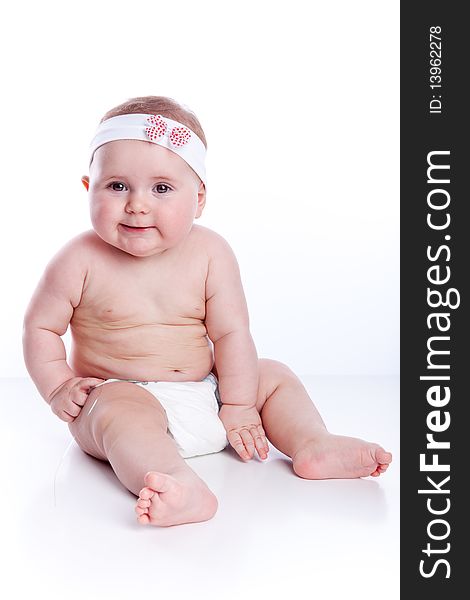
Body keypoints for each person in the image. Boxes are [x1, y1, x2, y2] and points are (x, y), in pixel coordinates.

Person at [23, 96, 392, 527]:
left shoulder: (210, 252)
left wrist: (237, 403)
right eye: (117, 186)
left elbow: (231, 334)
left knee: (271, 374)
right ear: (90, 188)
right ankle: (178, 483)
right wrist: (58, 388)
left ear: (198, 198)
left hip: (209, 395)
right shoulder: (78, 259)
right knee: (119, 411)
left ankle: (312, 443)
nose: (137, 204)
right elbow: (40, 327)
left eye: (161, 188)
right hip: (119, 393)